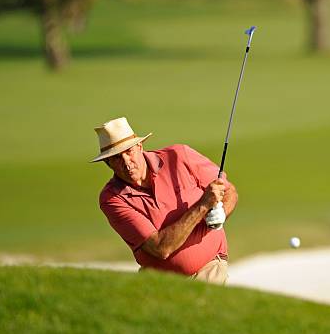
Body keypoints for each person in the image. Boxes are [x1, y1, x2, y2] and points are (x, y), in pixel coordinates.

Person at [90, 117, 237, 284]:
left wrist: (221, 212)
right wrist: (202, 206)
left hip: (209, 269)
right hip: (161, 283)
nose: (126, 162)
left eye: (128, 151)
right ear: (108, 163)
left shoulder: (180, 155)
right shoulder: (112, 199)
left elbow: (228, 190)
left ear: (139, 146)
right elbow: (161, 248)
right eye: (116, 157)